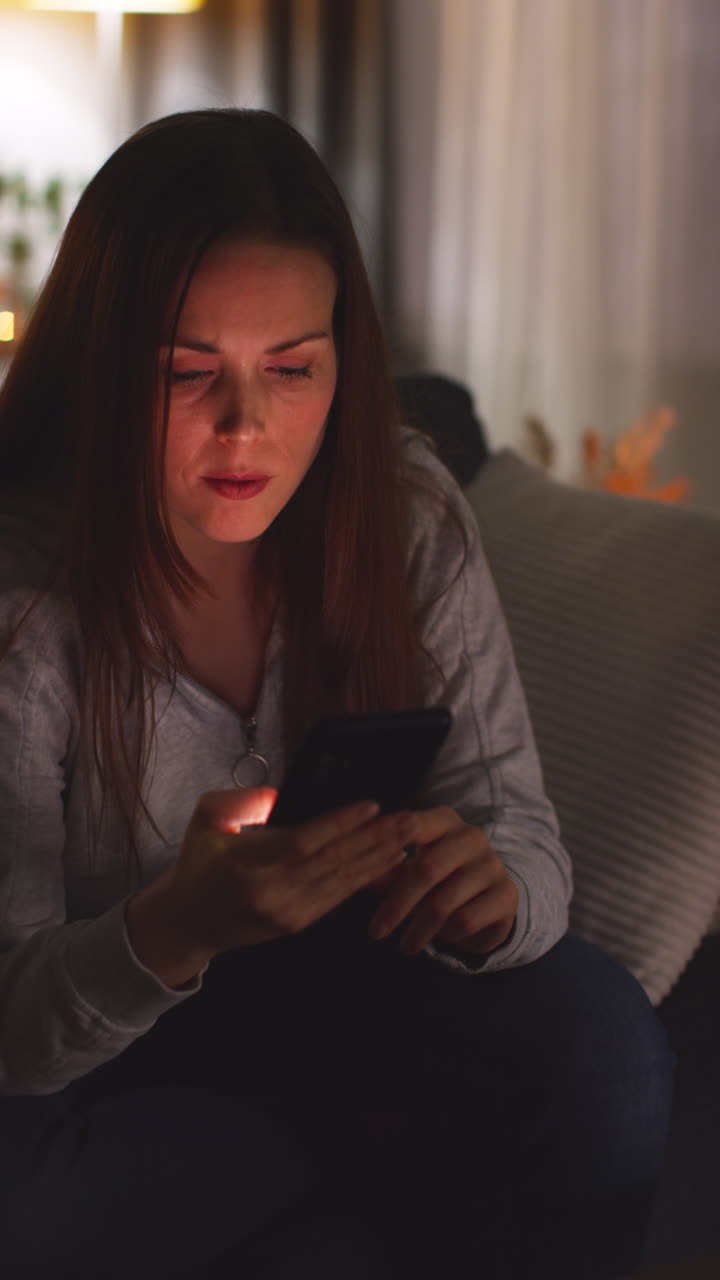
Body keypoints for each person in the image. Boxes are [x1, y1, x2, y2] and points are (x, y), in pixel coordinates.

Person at [0, 108, 673, 1280]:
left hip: (354, 992)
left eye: (294, 369)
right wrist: (177, 926)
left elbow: (523, 834)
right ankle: (361, 1146)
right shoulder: (25, 599)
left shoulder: (401, 512)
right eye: (188, 371)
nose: (246, 425)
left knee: (607, 1045)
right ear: (105, 365)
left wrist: (495, 892)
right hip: (99, 1048)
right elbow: (13, 1025)